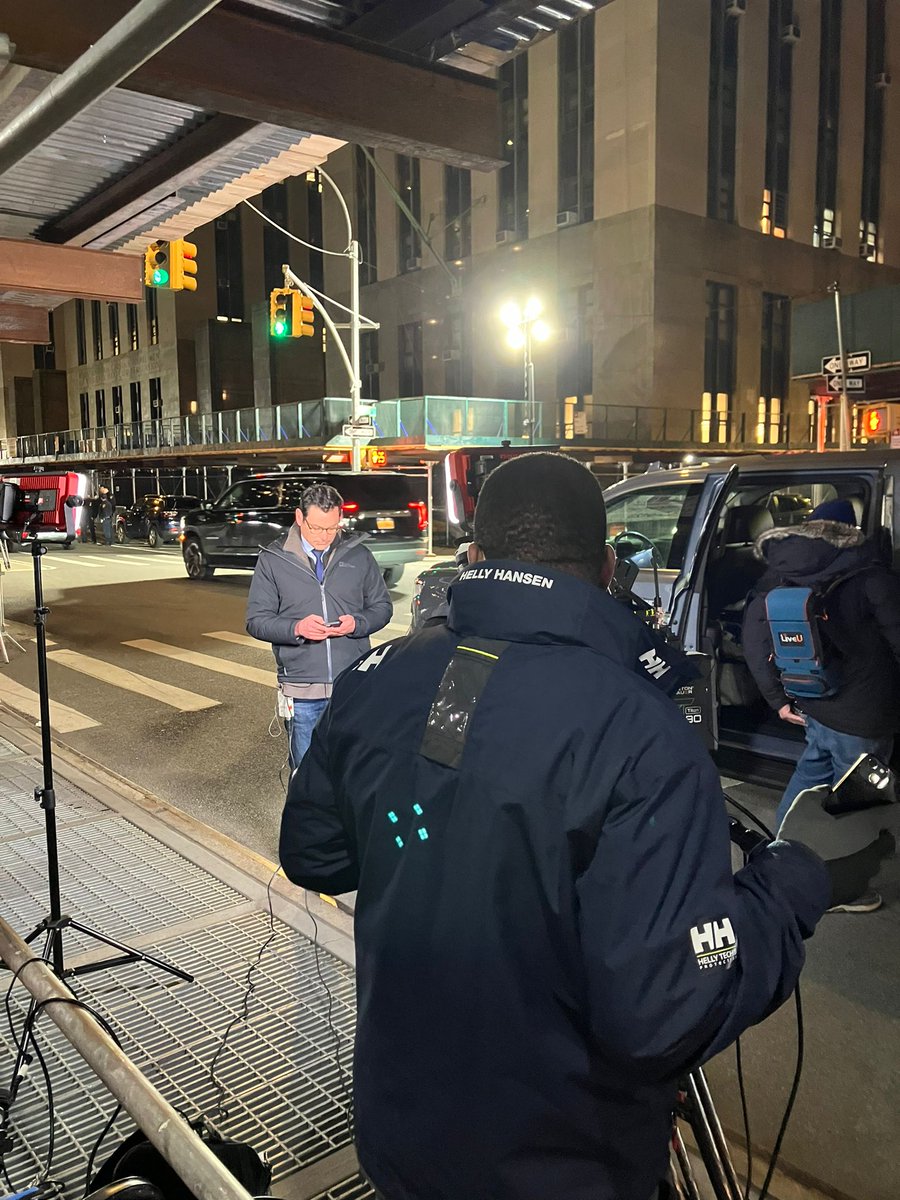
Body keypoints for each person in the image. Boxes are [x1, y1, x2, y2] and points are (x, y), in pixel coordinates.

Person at [279, 453, 891, 1200]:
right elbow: (668, 1013)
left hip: (398, 1132)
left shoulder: (376, 675)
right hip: (561, 1163)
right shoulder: (640, 727)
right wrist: (786, 891)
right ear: (606, 567)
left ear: (474, 557)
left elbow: (314, 854)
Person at [743, 498, 900, 910]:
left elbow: (755, 641)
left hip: (814, 703)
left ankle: (778, 855)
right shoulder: (871, 575)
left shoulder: (781, 573)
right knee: (854, 804)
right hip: (864, 714)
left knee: (809, 781)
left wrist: (778, 699)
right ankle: (836, 888)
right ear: (851, 531)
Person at [246, 482, 391, 768]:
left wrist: (357, 623)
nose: (325, 536)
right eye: (317, 528)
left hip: (352, 685)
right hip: (302, 690)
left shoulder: (359, 555)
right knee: (306, 772)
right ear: (299, 518)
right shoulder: (273, 560)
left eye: (333, 527)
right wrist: (296, 628)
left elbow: (382, 608)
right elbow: (256, 621)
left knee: (352, 770)